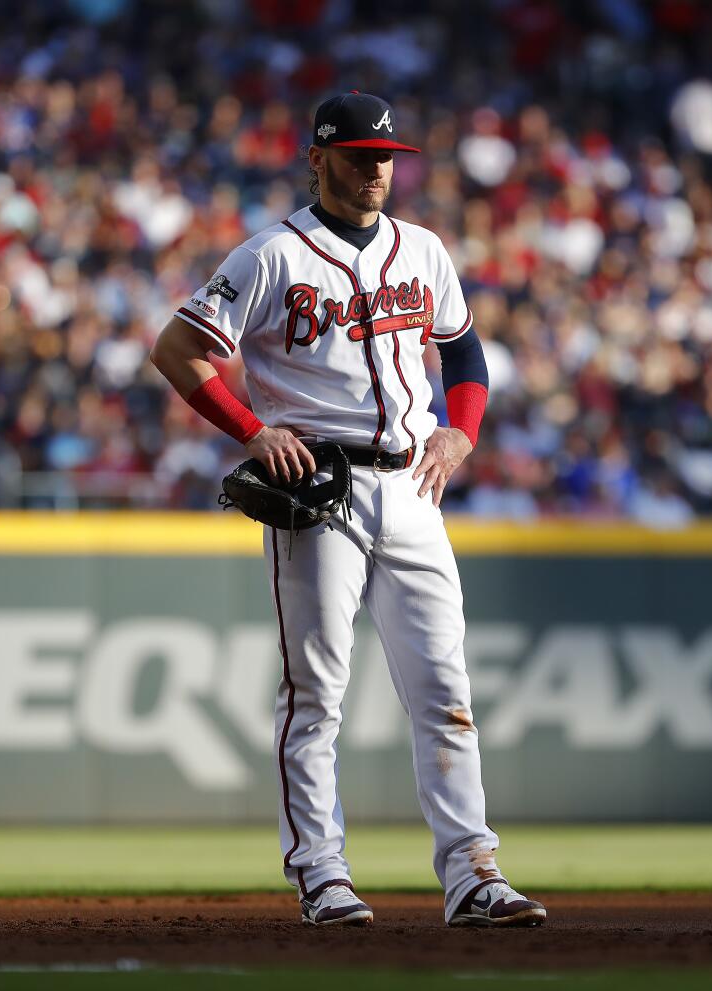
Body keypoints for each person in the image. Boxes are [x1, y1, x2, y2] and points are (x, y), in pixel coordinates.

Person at [151, 92, 546, 928]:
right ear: (317, 158)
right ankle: (322, 874)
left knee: (444, 687)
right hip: (319, 490)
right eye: (361, 154)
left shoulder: (424, 249)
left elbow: (464, 348)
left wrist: (463, 433)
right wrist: (253, 431)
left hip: (412, 487)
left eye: (387, 156)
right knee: (316, 693)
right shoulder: (270, 257)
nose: (376, 169)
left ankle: (474, 872)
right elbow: (178, 350)